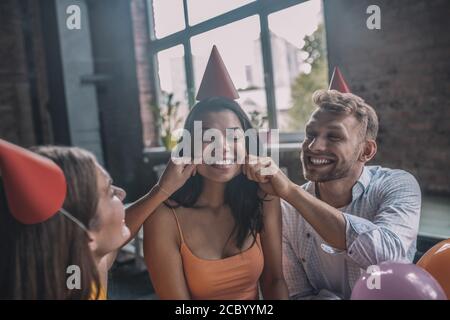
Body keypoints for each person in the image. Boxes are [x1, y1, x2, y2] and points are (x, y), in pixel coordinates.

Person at [243, 68, 421, 299]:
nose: (314, 146)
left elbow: (388, 257)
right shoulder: (287, 211)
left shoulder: (397, 185)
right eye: (310, 134)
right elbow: (297, 293)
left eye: (334, 136)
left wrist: (291, 191)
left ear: (366, 151)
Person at [0, 140, 195, 299]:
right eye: (110, 192)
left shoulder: (78, 269)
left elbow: (113, 236)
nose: (122, 193)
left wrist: (161, 190)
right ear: (88, 238)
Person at [144, 96, 288, 300]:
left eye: (234, 137)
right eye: (208, 138)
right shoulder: (163, 217)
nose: (222, 148)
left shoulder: (264, 198)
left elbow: (274, 281)